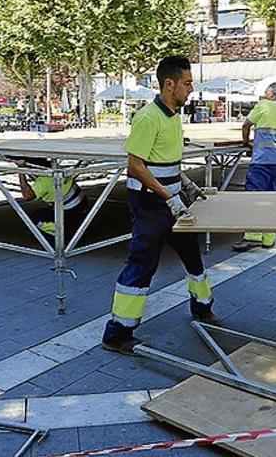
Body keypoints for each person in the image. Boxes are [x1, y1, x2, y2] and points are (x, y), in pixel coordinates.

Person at [101, 56, 217, 355]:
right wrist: (169, 197)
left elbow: (164, 162)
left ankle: (202, 308)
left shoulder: (173, 115)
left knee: (192, 257)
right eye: (187, 83)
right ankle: (117, 333)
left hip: (172, 202)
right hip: (150, 205)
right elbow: (136, 166)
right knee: (142, 265)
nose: (191, 89)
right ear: (170, 84)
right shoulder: (148, 117)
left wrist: (186, 185)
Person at [232, 82, 276, 252]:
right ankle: (268, 238)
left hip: (262, 160)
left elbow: (246, 124)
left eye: (266, 92)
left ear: (272, 94)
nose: (264, 94)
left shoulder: (263, 105)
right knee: (272, 199)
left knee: (254, 198)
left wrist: (246, 143)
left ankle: (252, 236)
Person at [15, 159, 88, 242]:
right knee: (41, 212)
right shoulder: (56, 168)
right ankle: (72, 227)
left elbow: (27, 196)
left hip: (71, 210)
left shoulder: (43, 183)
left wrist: (21, 170)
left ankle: (63, 235)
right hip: (81, 202)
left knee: (34, 220)